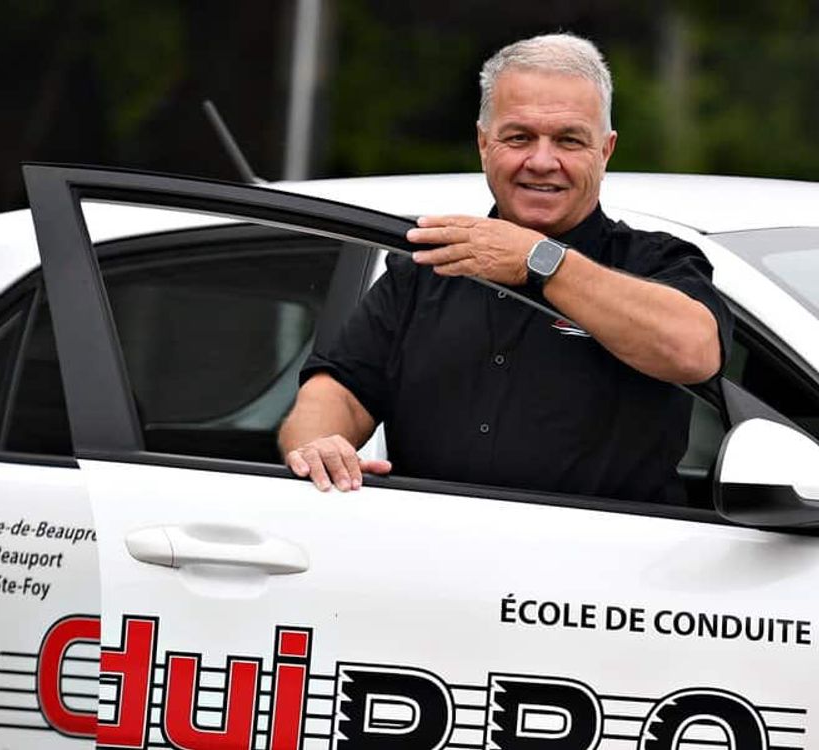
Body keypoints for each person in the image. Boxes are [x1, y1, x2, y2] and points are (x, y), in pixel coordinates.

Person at [278, 33, 733, 504]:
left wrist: (539, 261)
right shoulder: (422, 270)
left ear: (605, 151)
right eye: (519, 137)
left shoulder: (658, 262)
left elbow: (693, 351)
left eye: (568, 140)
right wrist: (318, 445)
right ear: (483, 143)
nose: (541, 161)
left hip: (610, 565)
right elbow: (340, 391)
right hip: (425, 556)